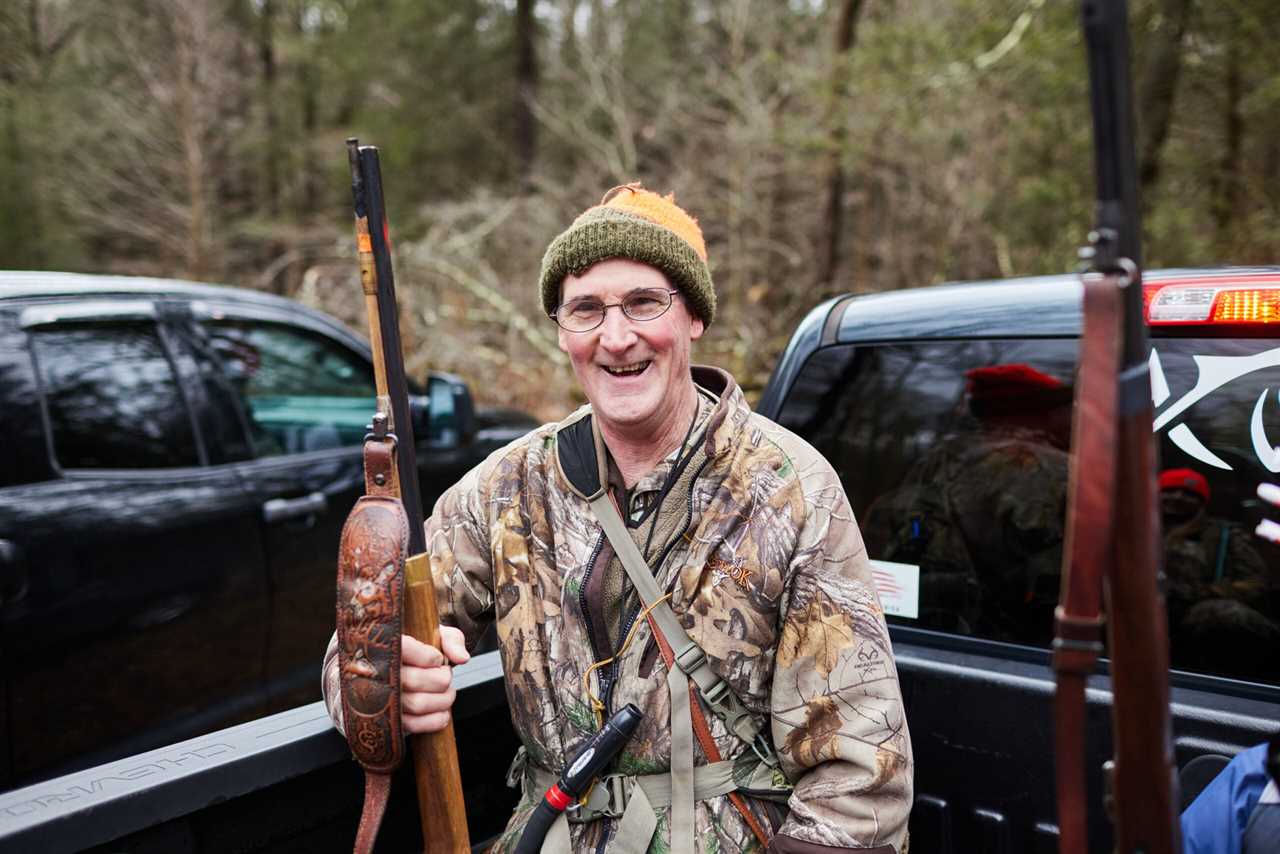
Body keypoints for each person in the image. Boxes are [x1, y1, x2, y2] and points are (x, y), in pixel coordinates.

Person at [322, 185, 913, 853]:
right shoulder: (507, 486)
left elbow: (861, 776)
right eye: (586, 310)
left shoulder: (789, 491)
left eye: (643, 302)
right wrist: (384, 692)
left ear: (693, 316)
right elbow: (355, 654)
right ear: (561, 330)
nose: (616, 337)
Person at [861, 363, 1071, 643]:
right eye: (1063, 408)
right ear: (1042, 412)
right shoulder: (1062, 473)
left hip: (906, 633)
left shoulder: (935, 460)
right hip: (1024, 651)